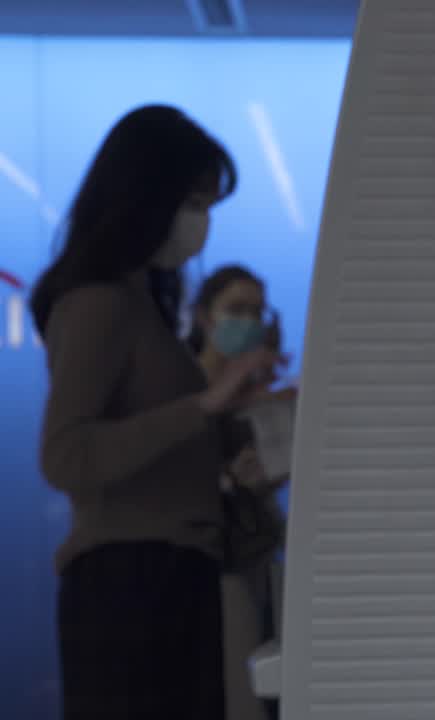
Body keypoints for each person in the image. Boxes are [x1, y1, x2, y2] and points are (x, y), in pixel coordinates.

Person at [31, 105, 279, 720]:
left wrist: (233, 418)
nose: (200, 226)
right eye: (193, 204)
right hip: (130, 585)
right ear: (148, 196)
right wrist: (204, 404)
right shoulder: (97, 304)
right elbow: (67, 455)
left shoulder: (142, 305)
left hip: (173, 577)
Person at [188, 265, 289, 720]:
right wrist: (226, 478)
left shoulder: (258, 392)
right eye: (235, 310)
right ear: (205, 317)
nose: (247, 322)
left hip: (258, 555)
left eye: (255, 311)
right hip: (212, 568)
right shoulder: (185, 390)